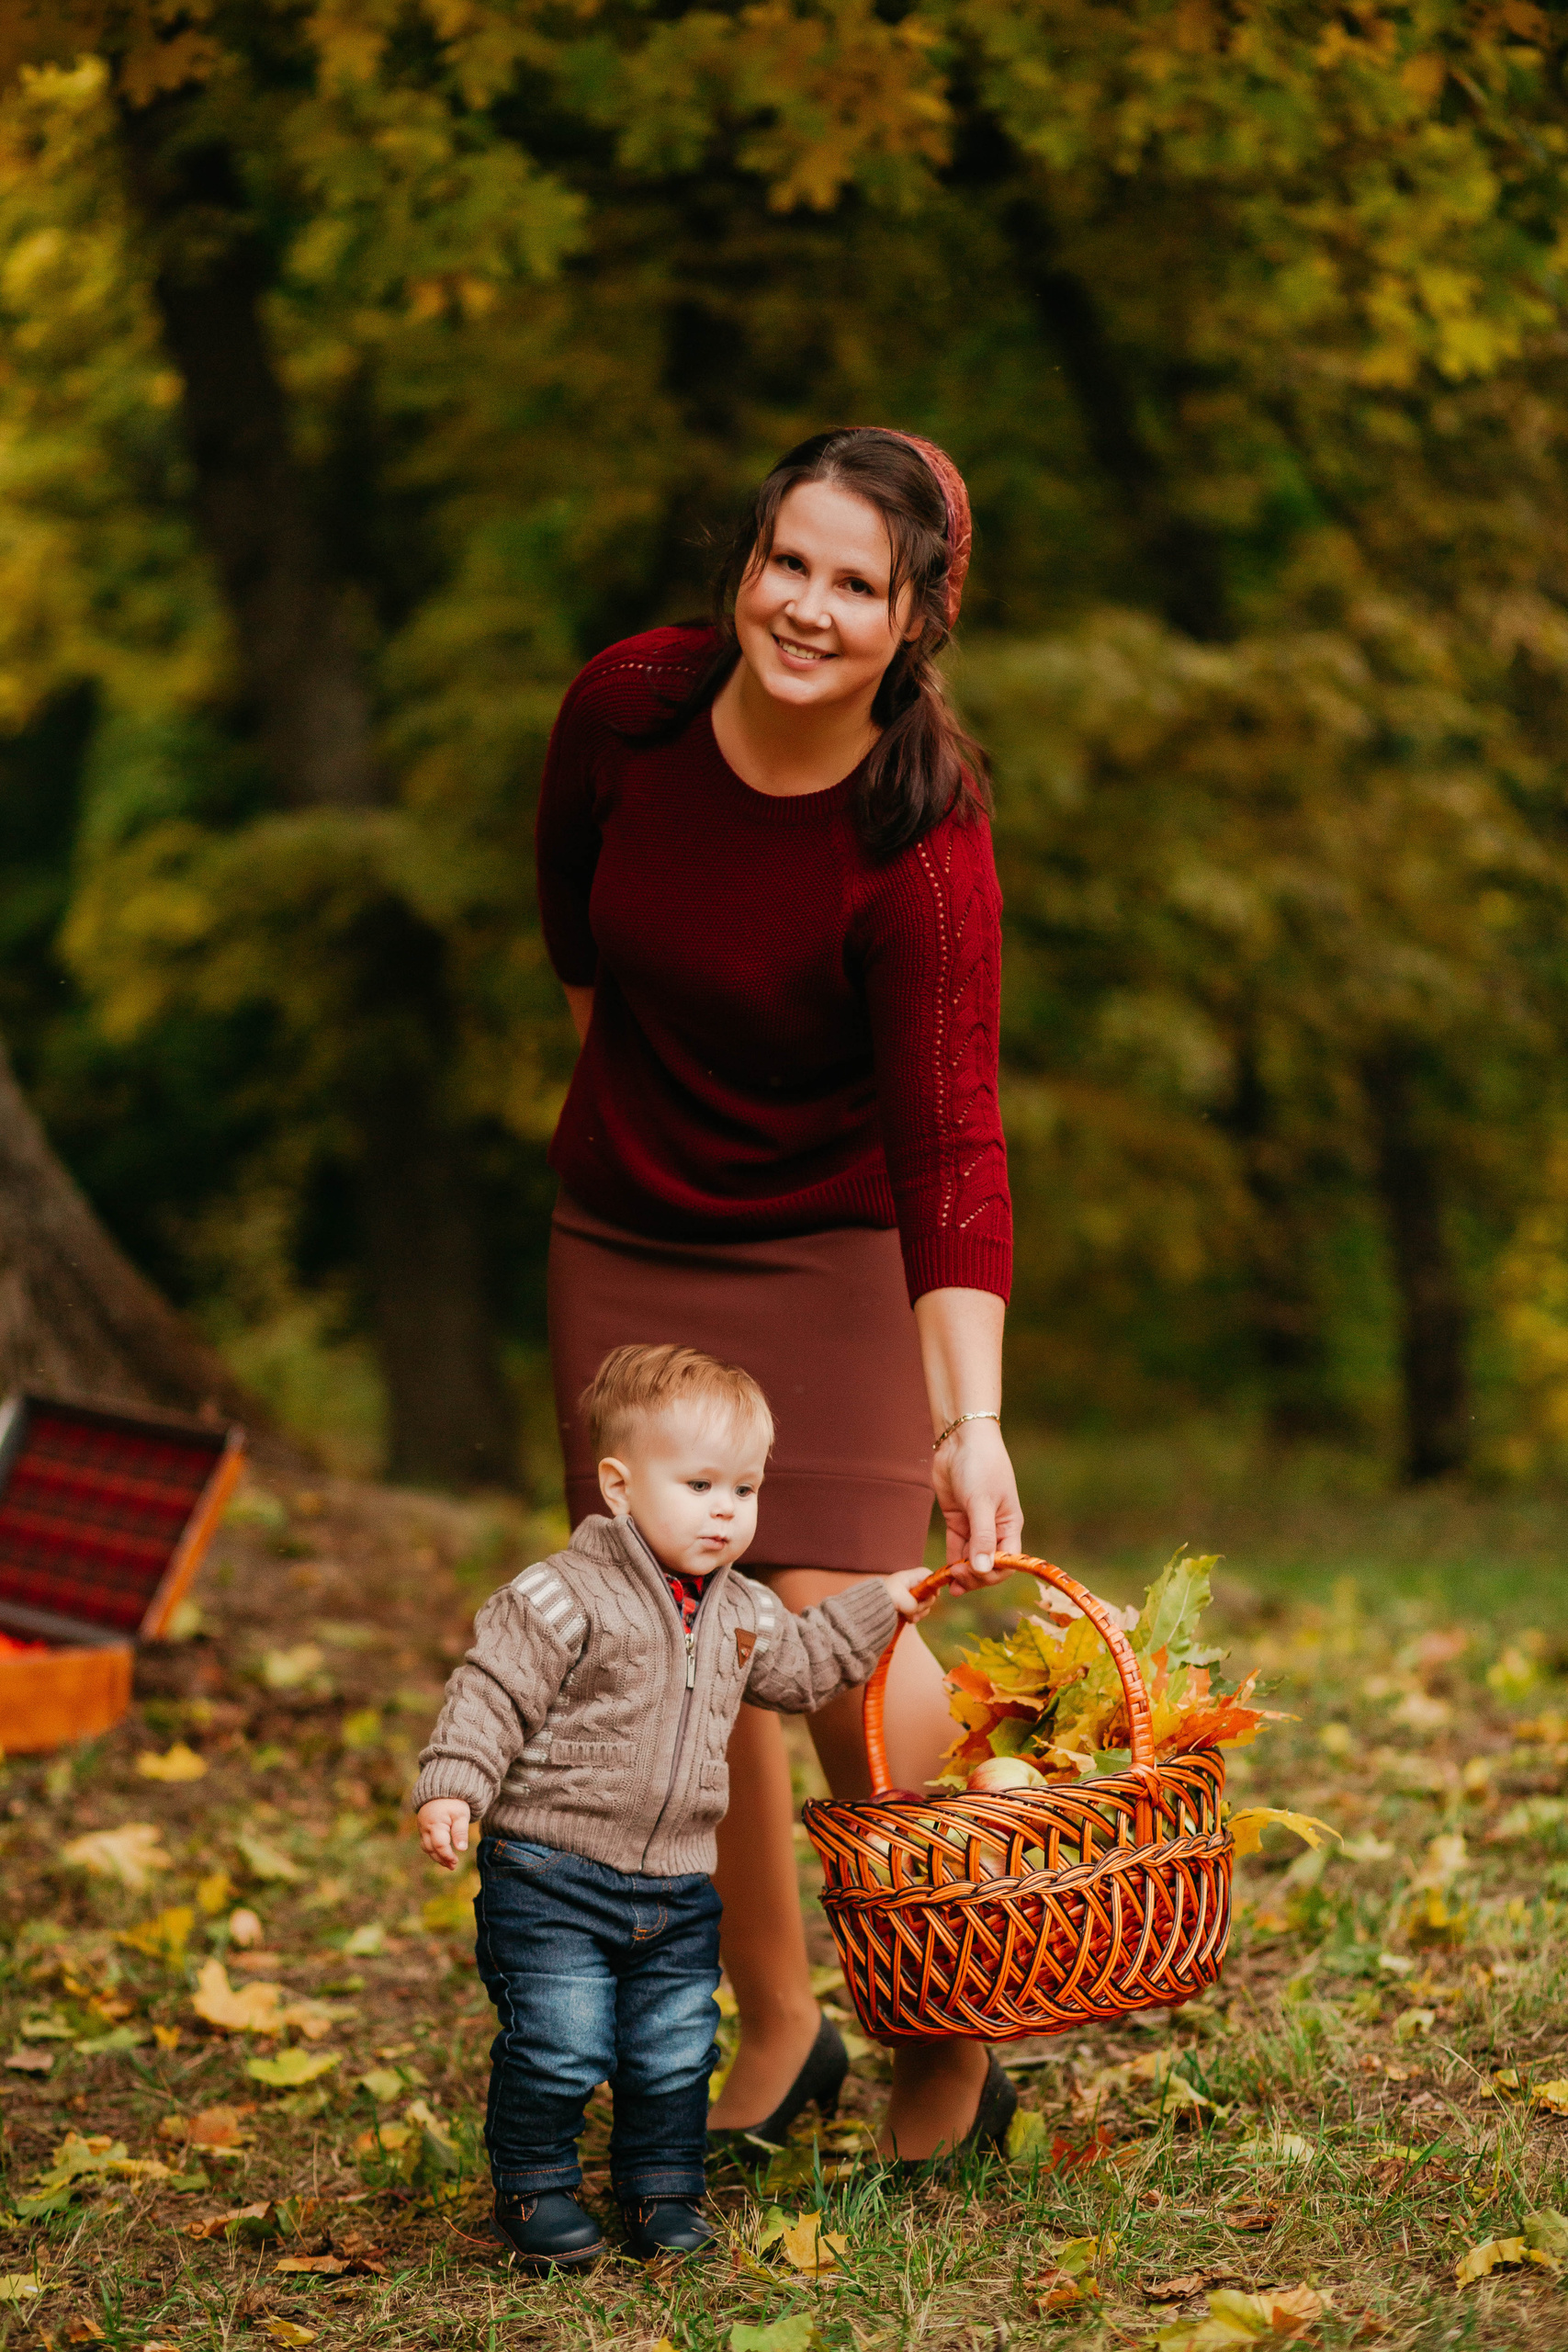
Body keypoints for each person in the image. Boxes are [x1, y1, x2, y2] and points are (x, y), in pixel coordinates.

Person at [536, 426, 1022, 2161]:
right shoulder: (629, 711)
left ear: (913, 621)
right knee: (670, 1642)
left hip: (830, 1246)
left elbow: (950, 1149)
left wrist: (967, 1426)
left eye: (853, 585)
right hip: (630, 1239)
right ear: (747, 560)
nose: (803, 608)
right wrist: (652, 1139)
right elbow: (578, 945)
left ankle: (947, 2033)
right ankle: (777, 2021)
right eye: (785, 562)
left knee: (841, 1644)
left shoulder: (921, 841)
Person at [413, 1342, 939, 2271]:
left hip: (678, 1884)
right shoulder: (561, 1594)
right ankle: (534, 2185)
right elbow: (491, 1688)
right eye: (700, 1484)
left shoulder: (743, 1608)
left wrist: (878, 1604)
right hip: (551, 1871)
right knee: (562, 2040)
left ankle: (660, 2192)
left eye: (745, 1487)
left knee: (674, 2049)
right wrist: (455, 1781)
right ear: (618, 1486)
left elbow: (806, 1666)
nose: (728, 1509)